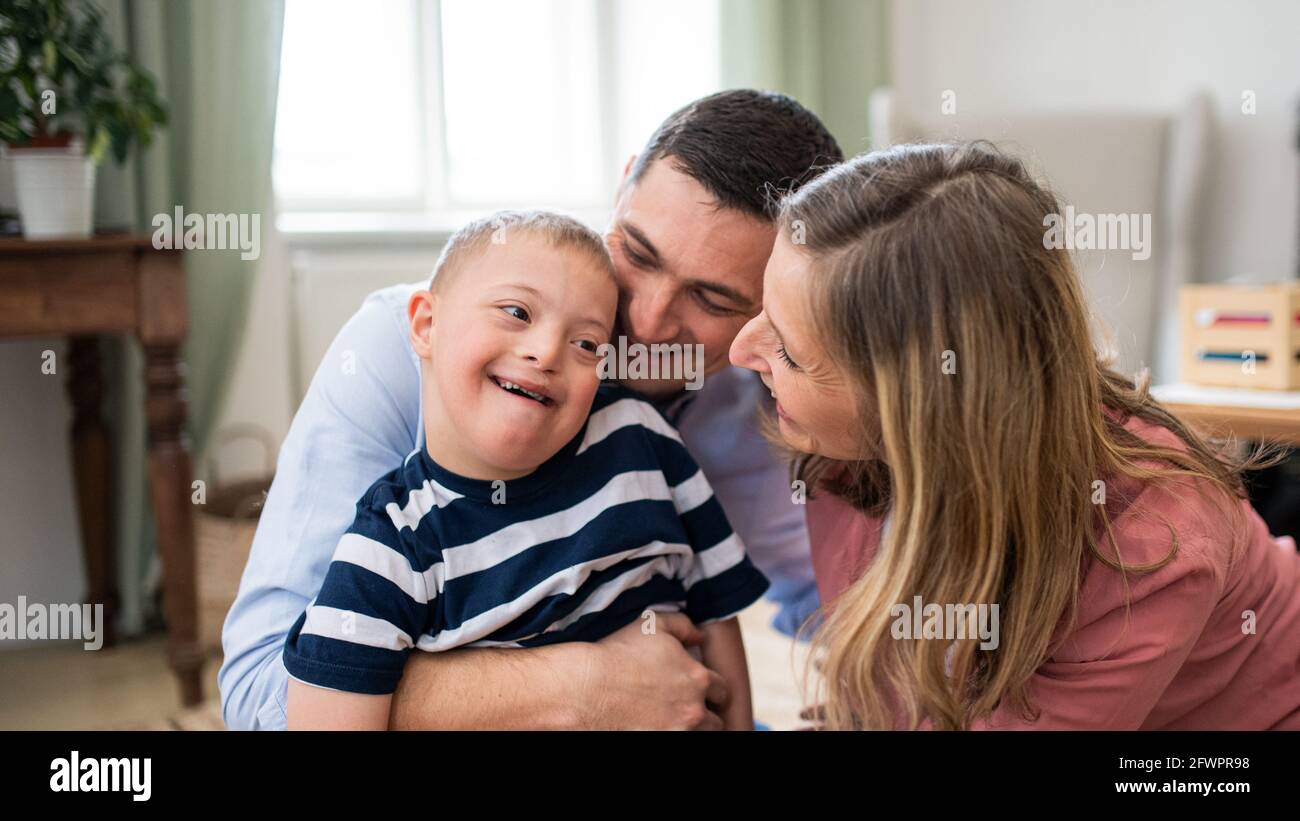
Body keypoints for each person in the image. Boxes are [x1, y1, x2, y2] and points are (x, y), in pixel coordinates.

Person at [220, 90, 843, 730]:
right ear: (624, 184)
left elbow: (843, 605)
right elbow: (259, 694)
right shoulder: (401, 354)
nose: (648, 323)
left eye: (711, 299)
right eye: (638, 252)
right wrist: (581, 688)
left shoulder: (771, 406)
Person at [729, 141, 1300, 730]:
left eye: (790, 354)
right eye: (763, 311)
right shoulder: (837, 453)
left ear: (916, 404)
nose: (739, 350)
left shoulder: (1152, 548)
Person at [283, 211, 767, 730]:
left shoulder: (640, 437)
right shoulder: (391, 545)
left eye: (586, 344)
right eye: (516, 312)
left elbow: (717, 606)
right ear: (426, 325)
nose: (546, 352)